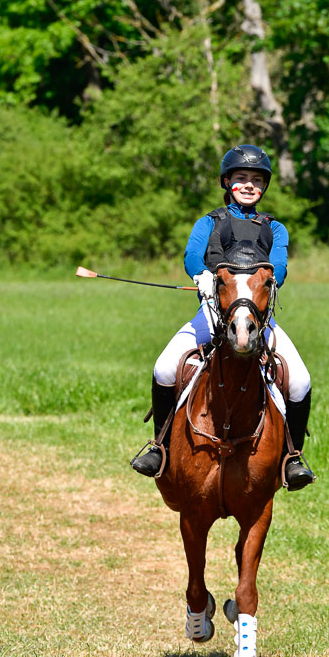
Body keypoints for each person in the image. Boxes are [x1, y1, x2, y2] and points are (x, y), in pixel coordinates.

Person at [131, 144, 314, 491]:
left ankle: (292, 458)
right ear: (227, 181)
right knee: (165, 367)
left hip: (257, 318)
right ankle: (160, 447)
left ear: (264, 186)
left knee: (300, 380)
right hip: (213, 312)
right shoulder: (209, 222)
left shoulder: (276, 228)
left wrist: (267, 284)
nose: (248, 185)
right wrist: (200, 274)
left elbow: (279, 265)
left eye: (256, 180)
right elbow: (191, 256)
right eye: (241, 178)